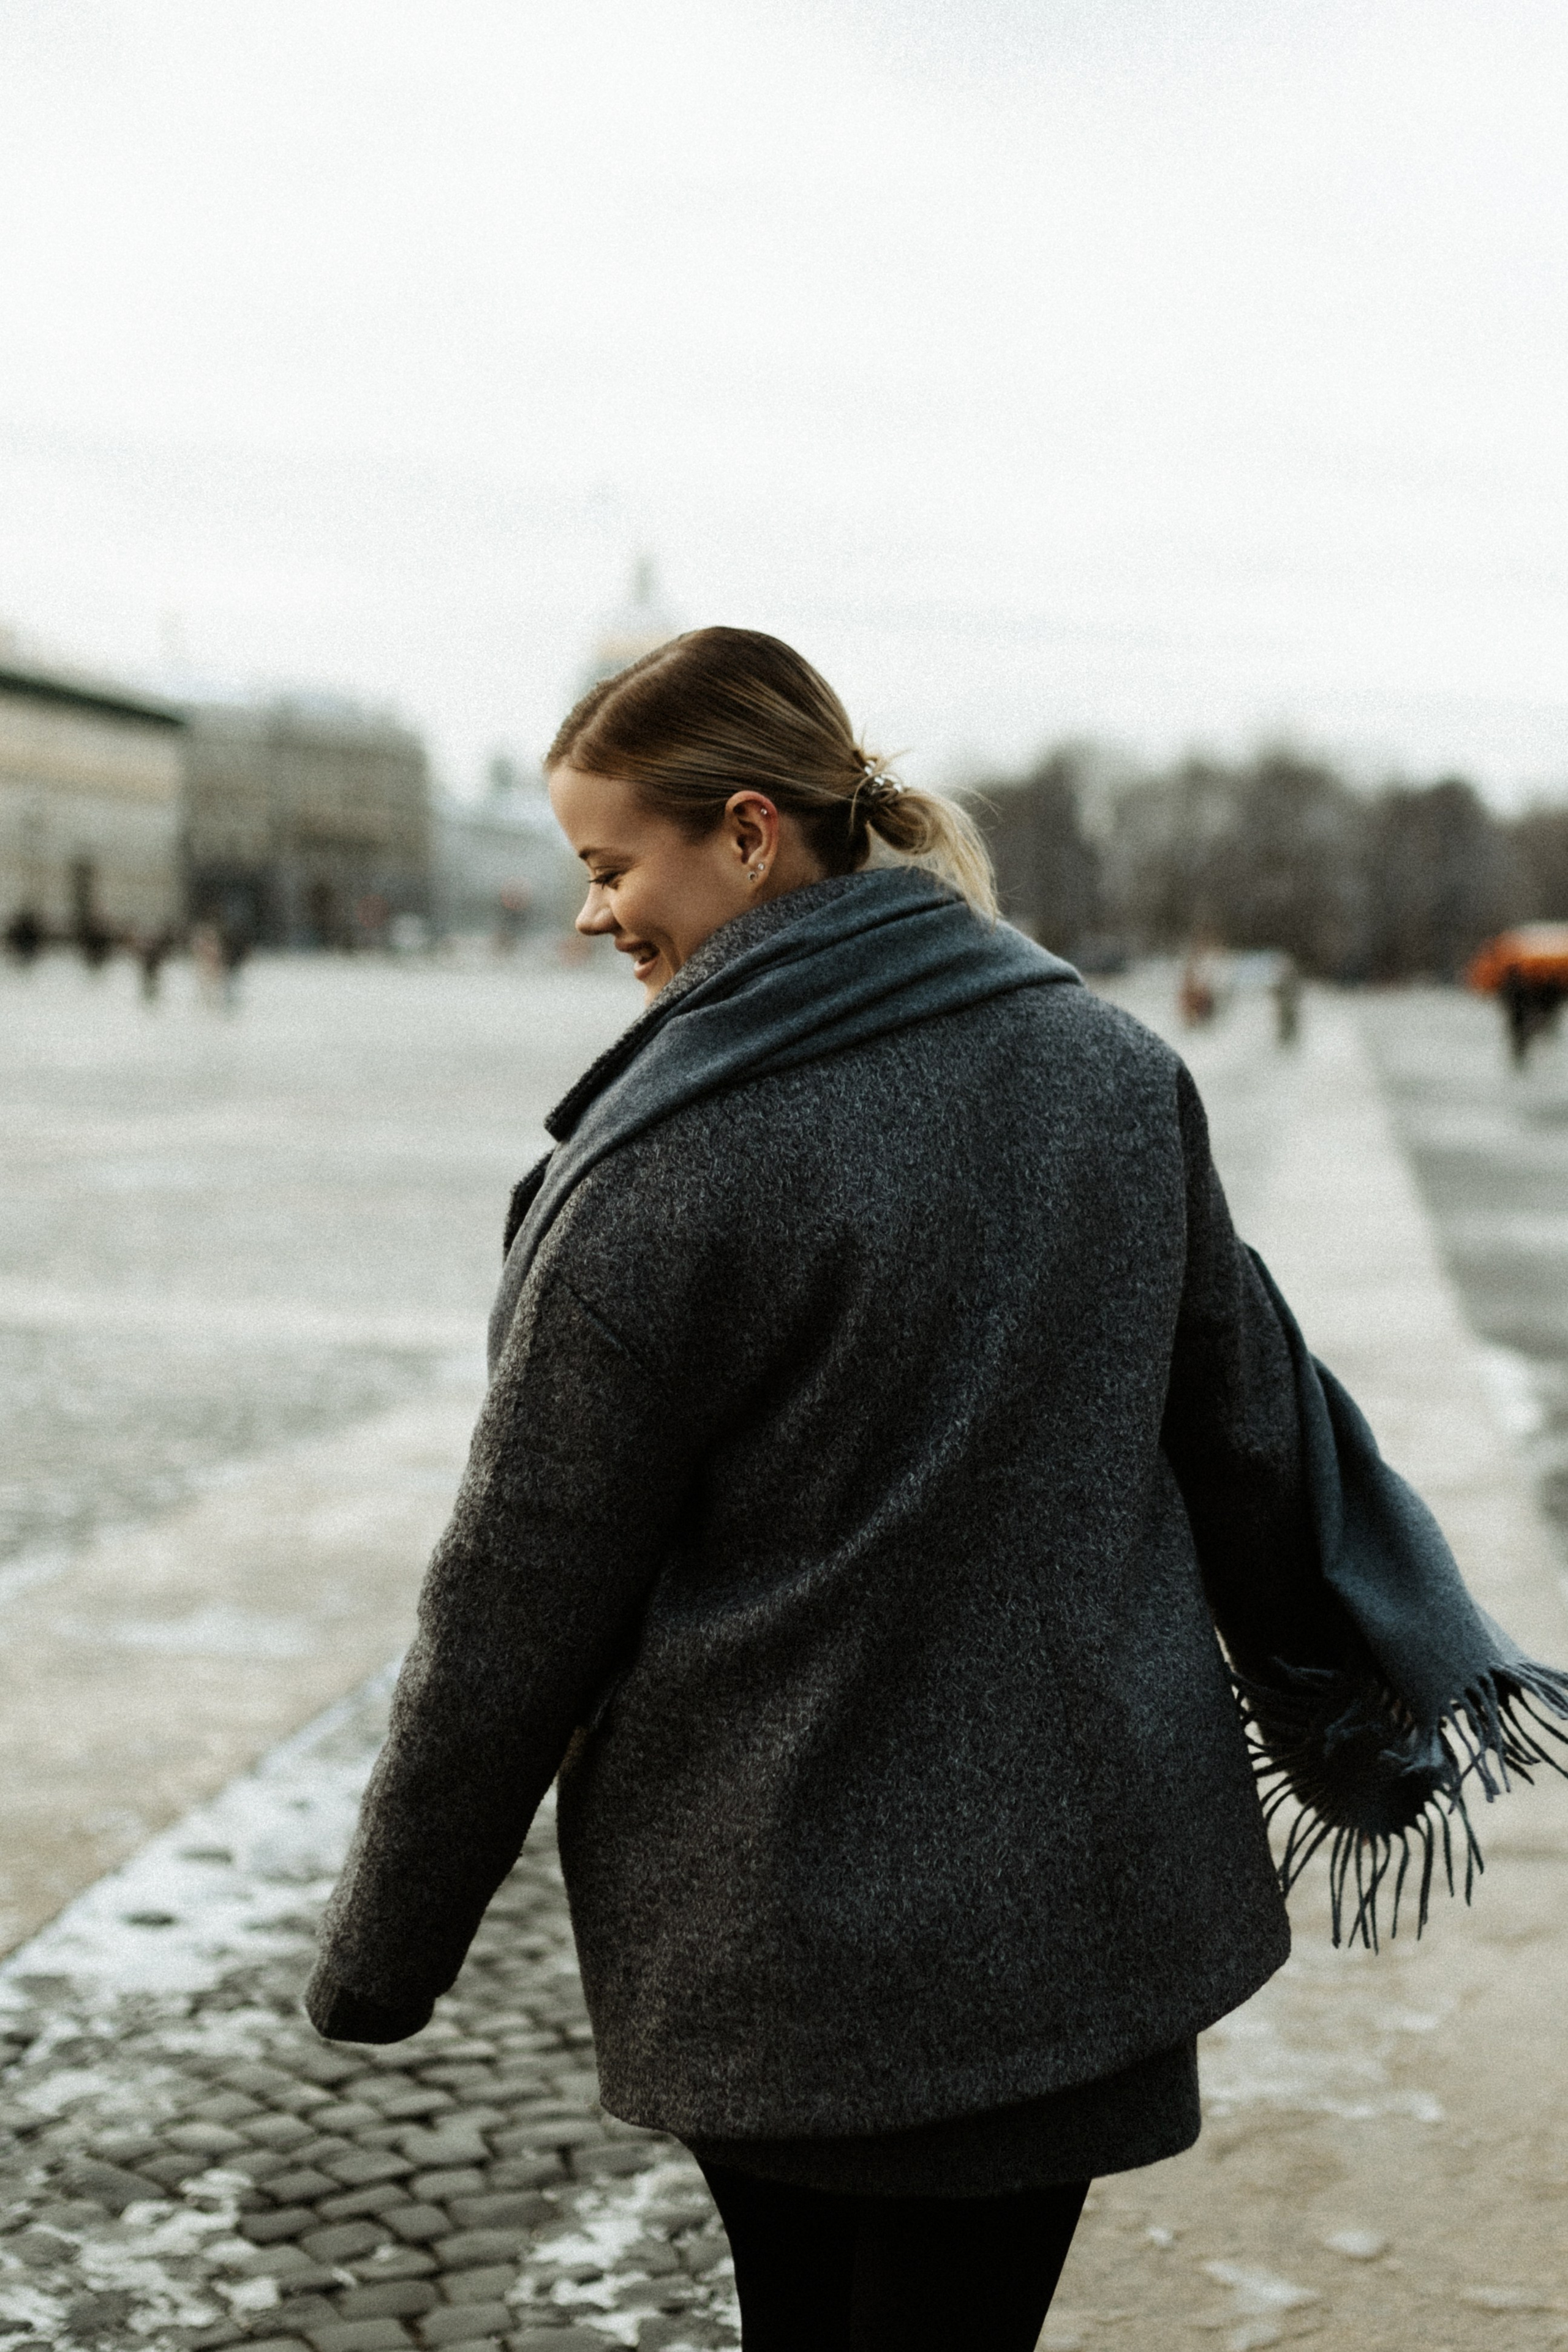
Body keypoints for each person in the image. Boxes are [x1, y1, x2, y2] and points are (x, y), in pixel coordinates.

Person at [306, 629, 1568, 2352]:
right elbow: (1257, 1430)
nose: (592, 915)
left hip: (774, 1936)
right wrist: (1354, 1691)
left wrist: (389, 1945)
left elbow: (517, 1596)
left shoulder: (662, 1170)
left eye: (609, 867)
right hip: (1077, 1908)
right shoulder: (1112, 1073)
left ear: (750, 834)